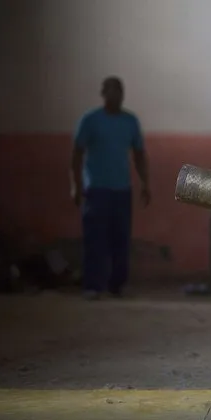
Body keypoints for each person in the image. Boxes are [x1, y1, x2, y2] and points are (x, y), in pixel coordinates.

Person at [70, 76, 151, 300]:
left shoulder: (130, 121)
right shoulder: (91, 120)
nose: (116, 95)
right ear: (103, 94)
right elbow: (77, 154)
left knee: (121, 239)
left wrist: (145, 183)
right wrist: (75, 186)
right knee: (95, 239)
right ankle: (93, 285)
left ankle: (117, 285)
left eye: (119, 91)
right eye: (111, 91)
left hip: (122, 190)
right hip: (96, 189)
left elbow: (139, 154)